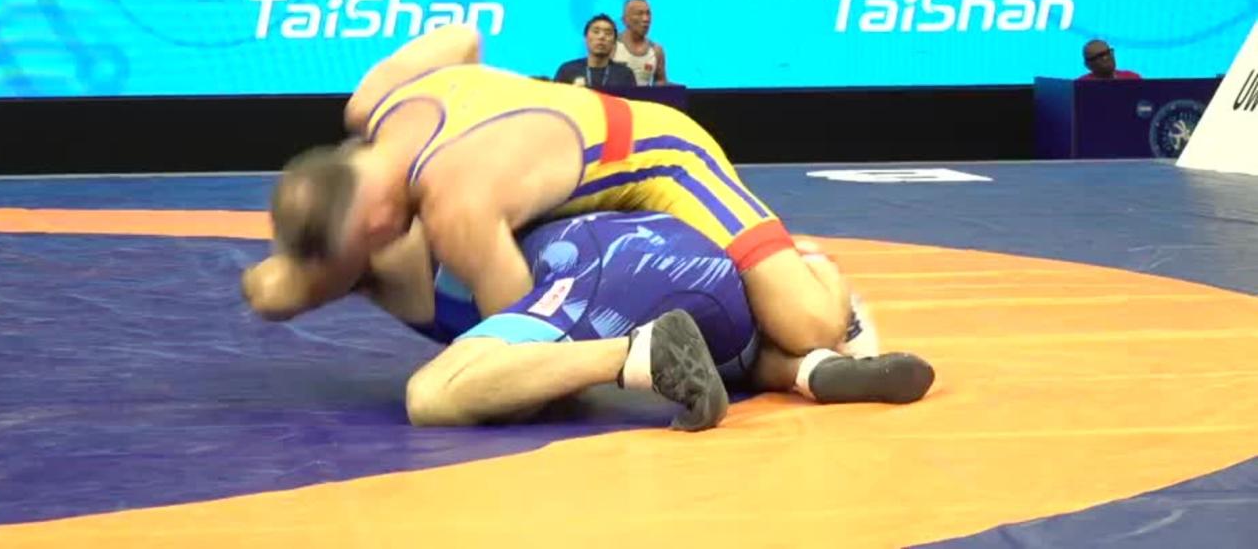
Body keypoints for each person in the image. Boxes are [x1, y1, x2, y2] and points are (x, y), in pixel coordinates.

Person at [270, 23, 857, 380]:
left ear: (375, 219)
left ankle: (814, 267)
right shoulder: (373, 99)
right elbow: (461, 37)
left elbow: (527, 342)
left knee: (808, 326)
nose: (383, 247)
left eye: (370, 244)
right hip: (575, 167)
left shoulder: (459, 207)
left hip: (664, 157)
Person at [242, 209, 935, 430]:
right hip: (703, 270)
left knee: (433, 395)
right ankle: (816, 370)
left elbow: (270, 287)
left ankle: (636, 355)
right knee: (746, 353)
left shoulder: (418, 217)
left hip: (605, 265)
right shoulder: (425, 219)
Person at [554, 14, 638, 89]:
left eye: (608, 33)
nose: (601, 37)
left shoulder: (624, 75)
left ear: (614, 42)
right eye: (596, 32)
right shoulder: (567, 70)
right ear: (586, 38)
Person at [614, 0, 669, 86]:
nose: (646, 19)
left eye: (648, 14)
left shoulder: (656, 51)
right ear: (625, 20)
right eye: (639, 14)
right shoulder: (612, 46)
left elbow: (660, 81)